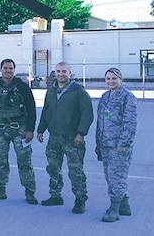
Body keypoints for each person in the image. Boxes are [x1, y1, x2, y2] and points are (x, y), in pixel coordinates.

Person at [37, 62, 93, 214]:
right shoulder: (51, 90)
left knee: (75, 170)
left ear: (70, 73)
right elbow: (46, 111)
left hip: (72, 138)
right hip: (54, 136)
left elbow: (87, 113)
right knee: (53, 168)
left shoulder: (78, 91)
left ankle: (80, 200)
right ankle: (55, 196)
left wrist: (81, 133)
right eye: (58, 71)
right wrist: (40, 130)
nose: (61, 74)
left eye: (64, 71)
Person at [0, 59, 38, 204]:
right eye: (5, 68)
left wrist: (30, 130)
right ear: (1, 69)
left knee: (25, 161)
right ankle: (0, 190)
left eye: (11, 68)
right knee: (0, 161)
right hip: (0, 128)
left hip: (20, 128)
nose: (8, 71)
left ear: (14, 70)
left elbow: (31, 109)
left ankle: (30, 191)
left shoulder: (23, 87)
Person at [96, 68, 137, 222]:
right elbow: (101, 122)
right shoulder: (105, 96)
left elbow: (130, 123)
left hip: (119, 145)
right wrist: (98, 143)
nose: (111, 81)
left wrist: (123, 144)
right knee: (109, 175)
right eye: (108, 79)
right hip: (105, 143)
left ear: (121, 79)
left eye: (114, 78)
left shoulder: (127, 97)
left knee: (116, 177)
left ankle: (114, 208)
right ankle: (124, 203)